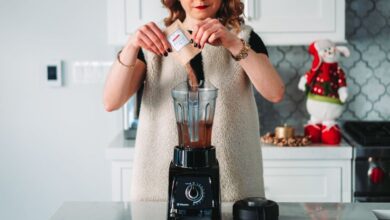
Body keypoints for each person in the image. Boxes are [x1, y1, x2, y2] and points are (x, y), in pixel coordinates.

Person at [103, 0, 285, 202]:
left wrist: (232, 43)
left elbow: (274, 92)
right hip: (159, 188)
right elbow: (111, 101)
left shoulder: (243, 38)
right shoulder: (154, 42)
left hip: (233, 187)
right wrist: (131, 45)